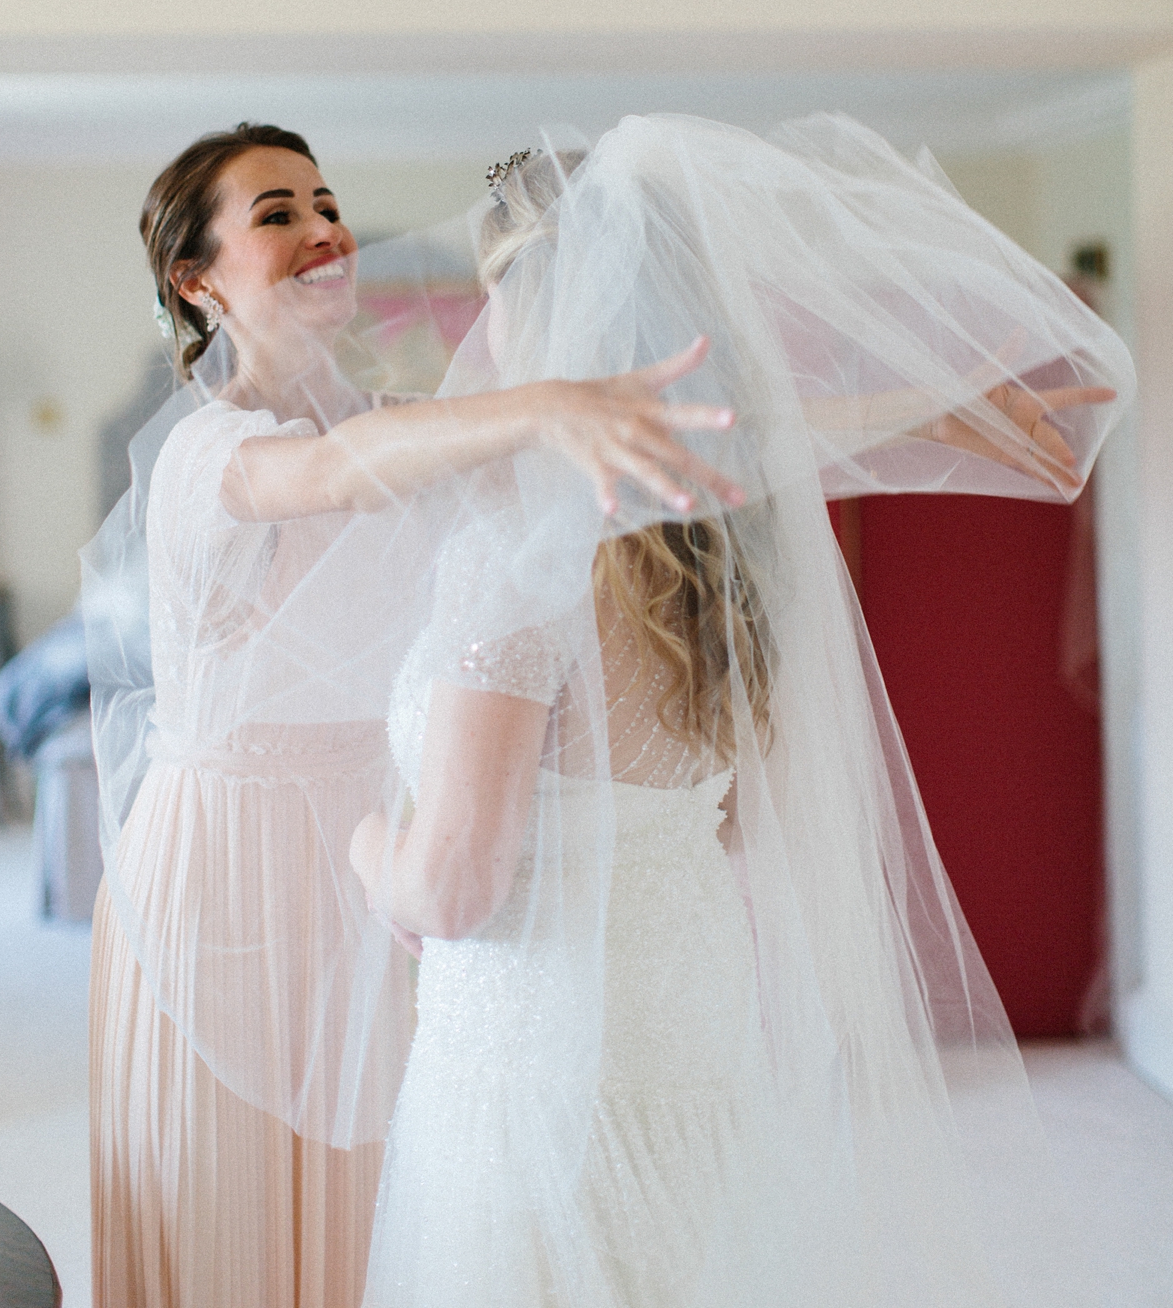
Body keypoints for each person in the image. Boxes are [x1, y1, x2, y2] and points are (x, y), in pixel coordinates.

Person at [350, 115, 1133, 1308]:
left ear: (547, 304)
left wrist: (368, 851)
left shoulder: (512, 557)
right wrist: (933, 406)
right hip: (692, 1012)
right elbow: (726, 819)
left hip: (532, 1048)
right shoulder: (735, 535)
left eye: (499, 290)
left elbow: (452, 889)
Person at [82, 122, 742, 1308]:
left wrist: (931, 414)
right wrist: (545, 401)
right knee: (227, 1226)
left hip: (379, 862)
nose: (322, 227)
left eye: (326, 201)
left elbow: (694, 437)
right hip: (224, 872)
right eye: (276, 213)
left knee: (384, 1223)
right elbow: (331, 475)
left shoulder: (423, 427)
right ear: (197, 279)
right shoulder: (206, 454)